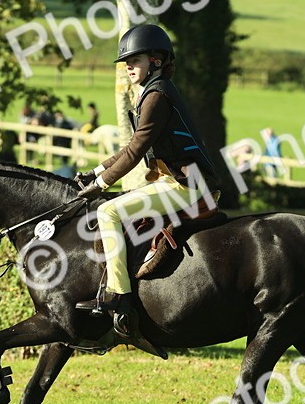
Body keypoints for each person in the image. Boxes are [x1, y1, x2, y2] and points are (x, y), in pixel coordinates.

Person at [74, 24, 218, 350]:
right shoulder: (153, 92)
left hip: (187, 185)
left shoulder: (157, 95)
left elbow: (137, 151)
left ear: (155, 60)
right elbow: (128, 148)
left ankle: (118, 299)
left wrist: (100, 185)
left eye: (134, 60)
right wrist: (94, 171)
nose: (127, 66)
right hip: (179, 182)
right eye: (125, 61)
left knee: (108, 211)